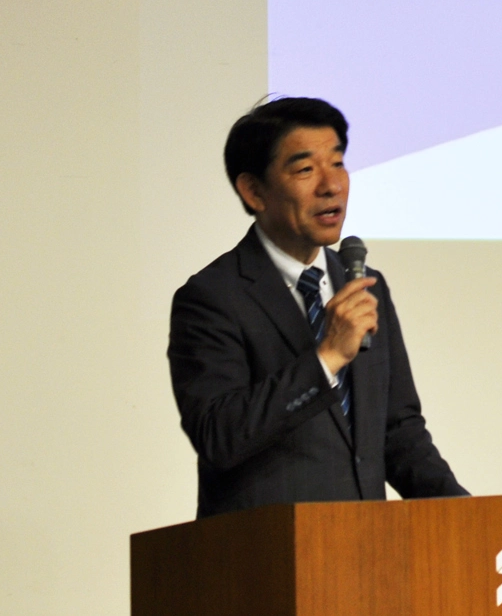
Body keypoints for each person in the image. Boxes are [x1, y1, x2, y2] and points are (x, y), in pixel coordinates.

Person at [168, 97, 467, 517]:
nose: (331, 185)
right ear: (254, 191)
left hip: (365, 540)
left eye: (338, 163)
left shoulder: (365, 286)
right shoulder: (213, 297)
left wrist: (468, 517)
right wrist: (327, 358)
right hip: (267, 547)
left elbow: (398, 432)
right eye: (306, 169)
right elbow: (220, 436)